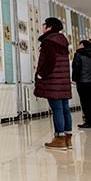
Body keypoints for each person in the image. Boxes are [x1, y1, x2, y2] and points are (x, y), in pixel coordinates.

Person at [34, 17, 72, 150]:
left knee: (57, 110)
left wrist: (41, 74)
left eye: (44, 24)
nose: (43, 27)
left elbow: (51, 60)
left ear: (49, 27)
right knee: (65, 109)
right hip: (63, 80)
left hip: (53, 80)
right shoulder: (63, 40)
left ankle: (59, 138)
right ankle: (68, 138)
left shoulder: (49, 40)